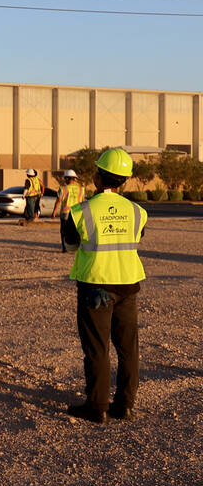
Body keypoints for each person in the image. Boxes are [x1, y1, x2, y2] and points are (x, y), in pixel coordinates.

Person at [60, 149, 145, 424]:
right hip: (128, 285)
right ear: (123, 180)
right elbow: (136, 238)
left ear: (98, 178)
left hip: (96, 285)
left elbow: (71, 245)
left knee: (97, 348)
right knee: (128, 348)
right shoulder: (137, 211)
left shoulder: (81, 212)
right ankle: (126, 405)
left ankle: (97, 407)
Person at [52, 169, 85, 253]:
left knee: (64, 231)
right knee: (77, 231)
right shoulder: (81, 189)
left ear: (67, 178)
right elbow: (84, 201)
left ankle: (65, 248)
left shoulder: (63, 189)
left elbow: (58, 201)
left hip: (66, 213)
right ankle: (77, 248)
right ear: (74, 178)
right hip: (77, 213)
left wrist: (54, 212)